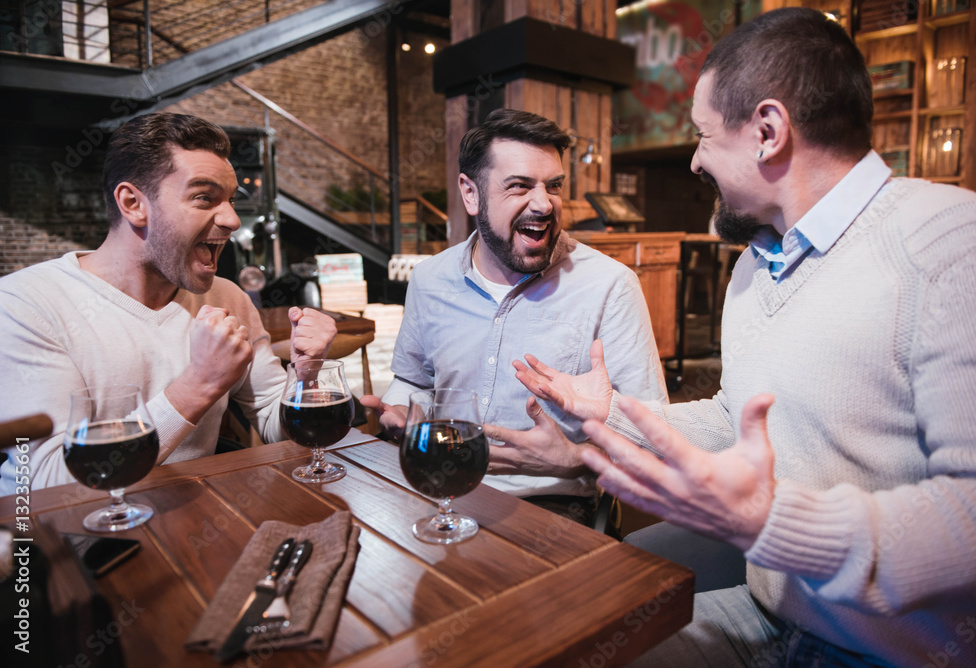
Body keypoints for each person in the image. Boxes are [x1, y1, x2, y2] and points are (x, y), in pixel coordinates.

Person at [495, 8, 976, 666]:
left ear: (768, 130)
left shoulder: (955, 245)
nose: (697, 160)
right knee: (569, 648)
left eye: (704, 136)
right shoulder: (756, 266)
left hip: (896, 652)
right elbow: (740, 417)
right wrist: (613, 414)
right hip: (769, 613)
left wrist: (768, 522)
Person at [0, 112, 337, 494]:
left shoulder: (227, 297)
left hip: (191, 525)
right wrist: (199, 385)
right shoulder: (26, 305)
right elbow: (45, 483)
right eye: (204, 197)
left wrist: (304, 375)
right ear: (133, 204)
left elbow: (276, 427)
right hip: (66, 542)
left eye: (229, 200)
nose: (230, 219)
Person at [360, 109, 667, 521]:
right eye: (519, 186)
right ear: (471, 194)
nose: (543, 204)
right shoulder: (429, 279)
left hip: (552, 506)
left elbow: (654, 434)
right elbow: (413, 380)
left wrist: (575, 459)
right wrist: (399, 412)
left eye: (553, 186)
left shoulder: (610, 285)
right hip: (437, 486)